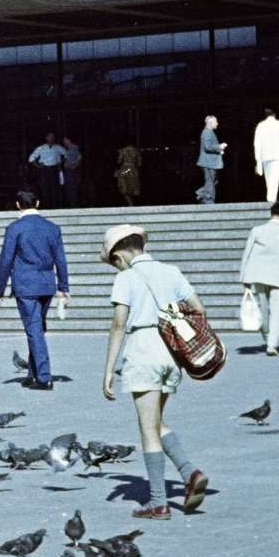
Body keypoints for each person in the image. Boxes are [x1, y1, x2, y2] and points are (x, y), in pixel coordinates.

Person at [99, 223, 210, 520]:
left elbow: (119, 324)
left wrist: (109, 369)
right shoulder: (171, 271)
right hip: (171, 350)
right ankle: (188, 473)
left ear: (119, 254)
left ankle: (159, 502)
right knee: (155, 420)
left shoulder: (126, 277)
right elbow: (199, 309)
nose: (115, 266)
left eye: (114, 262)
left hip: (143, 349)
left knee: (147, 428)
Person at [0, 189, 69, 391]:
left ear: (18, 205)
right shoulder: (53, 228)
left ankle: (44, 377)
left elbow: (6, 260)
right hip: (46, 283)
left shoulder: (15, 228)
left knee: (34, 329)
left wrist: (0, 287)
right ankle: (33, 373)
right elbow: (60, 259)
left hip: (25, 284)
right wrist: (64, 287)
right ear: (37, 202)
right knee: (37, 328)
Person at [240, 201, 279, 356]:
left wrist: (244, 276)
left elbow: (247, 253)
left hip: (259, 274)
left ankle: (267, 336)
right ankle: (272, 344)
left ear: (271, 213)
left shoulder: (257, 230)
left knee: (263, 309)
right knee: (277, 311)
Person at [253, 108, 279, 203]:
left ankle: (271, 198)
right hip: (277, 155)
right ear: (275, 113)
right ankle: (271, 199)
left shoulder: (260, 126)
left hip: (265, 155)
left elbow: (257, 143)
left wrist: (258, 158)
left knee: (269, 178)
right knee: (275, 178)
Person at [28, 132, 66, 209]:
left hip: (54, 169)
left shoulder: (58, 147)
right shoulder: (41, 148)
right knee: (45, 188)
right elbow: (31, 158)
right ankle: (47, 207)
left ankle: (55, 207)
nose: (51, 138)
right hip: (45, 169)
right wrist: (38, 165)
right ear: (46, 138)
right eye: (49, 137)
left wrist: (60, 162)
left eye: (52, 137)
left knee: (55, 188)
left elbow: (66, 154)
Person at [195, 116, 225, 204]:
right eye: (215, 121)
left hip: (210, 162)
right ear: (210, 122)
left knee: (213, 181)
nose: (217, 123)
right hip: (208, 162)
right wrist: (219, 147)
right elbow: (207, 147)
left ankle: (201, 194)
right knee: (210, 181)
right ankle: (208, 200)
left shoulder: (209, 132)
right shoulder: (207, 132)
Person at [62, 135, 84, 208]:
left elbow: (79, 157)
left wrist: (75, 166)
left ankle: (74, 205)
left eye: (65, 140)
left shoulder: (74, 148)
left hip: (72, 170)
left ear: (69, 140)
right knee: (69, 187)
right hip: (68, 169)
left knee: (72, 187)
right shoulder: (67, 148)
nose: (64, 141)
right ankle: (70, 204)